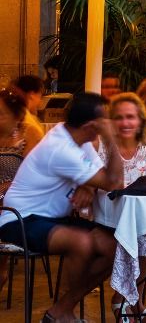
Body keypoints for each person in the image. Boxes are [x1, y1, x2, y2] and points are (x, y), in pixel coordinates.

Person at [0, 92, 123, 323]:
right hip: (19, 219)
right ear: (90, 126)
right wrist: (111, 139)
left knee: (113, 246)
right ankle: (64, 311)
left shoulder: (76, 139)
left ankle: (61, 309)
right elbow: (113, 181)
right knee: (81, 242)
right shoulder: (60, 148)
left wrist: (88, 186)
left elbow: (105, 181)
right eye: (105, 122)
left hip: (52, 218)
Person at [95, 93, 146, 321]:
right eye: (119, 118)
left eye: (131, 117)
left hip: (138, 217)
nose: (125, 123)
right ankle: (125, 301)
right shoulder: (100, 146)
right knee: (138, 234)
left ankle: (132, 301)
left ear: (141, 120)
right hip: (105, 216)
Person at [0, 87, 31, 195]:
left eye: (1, 114)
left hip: (16, 201)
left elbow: (35, 176)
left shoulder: (29, 135)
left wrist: (8, 186)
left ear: (17, 116)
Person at [12, 75, 45, 154]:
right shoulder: (30, 124)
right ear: (32, 95)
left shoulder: (14, 115)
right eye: (40, 96)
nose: (40, 101)